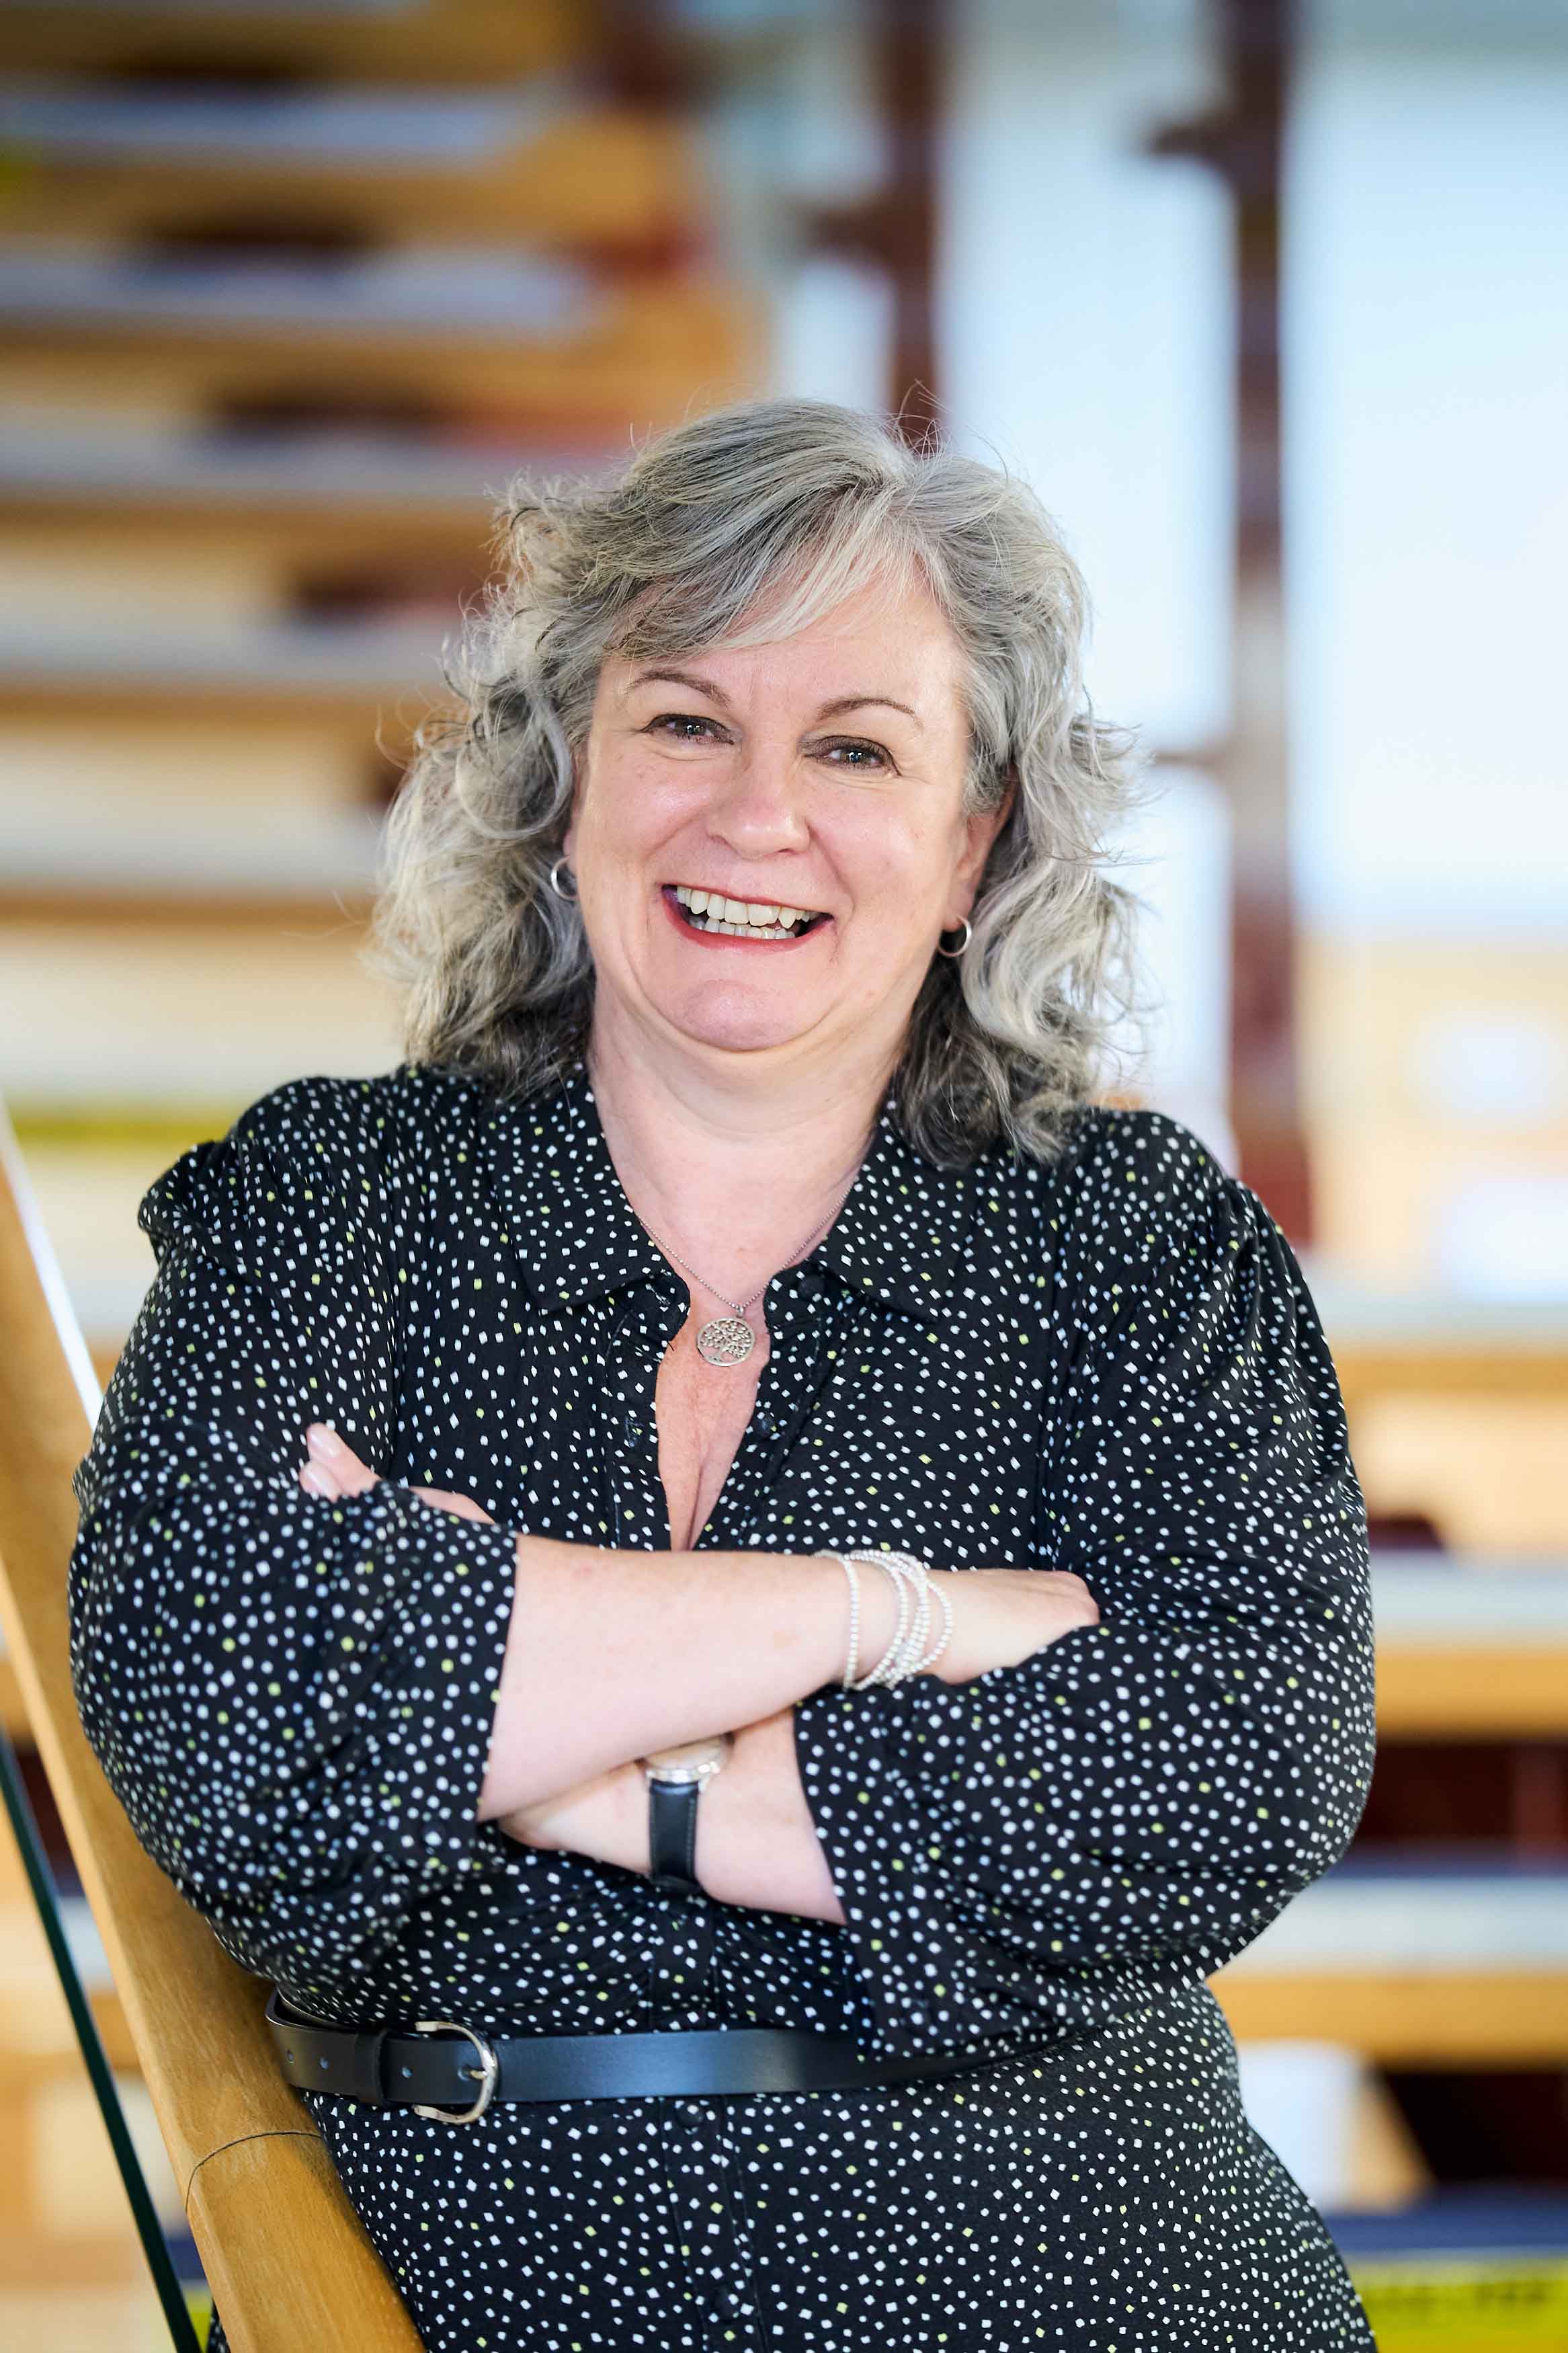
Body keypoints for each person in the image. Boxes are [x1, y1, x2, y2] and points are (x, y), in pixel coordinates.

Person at [68, 397, 1377, 2352]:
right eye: (686, 719)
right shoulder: (327, 1201)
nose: (757, 814)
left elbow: (1227, 1764)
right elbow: (228, 1728)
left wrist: (539, 1738)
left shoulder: (1134, 1244)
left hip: (1101, 2287)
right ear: (564, 778)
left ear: (968, 846)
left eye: (855, 745)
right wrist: (890, 1615)